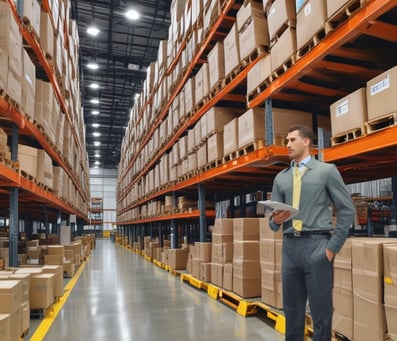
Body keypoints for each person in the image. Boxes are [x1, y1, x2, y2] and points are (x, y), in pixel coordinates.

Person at [269, 124, 355, 341]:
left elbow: (347, 210)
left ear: (306, 141)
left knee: (321, 313)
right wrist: (274, 220)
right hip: (290, 248)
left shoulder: (326, 171)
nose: (287, 144)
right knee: (292, 311)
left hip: (317, 246)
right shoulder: (281, 178)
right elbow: (272, 221)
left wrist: (332, 247)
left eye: (292, 140)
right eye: (286, 141)